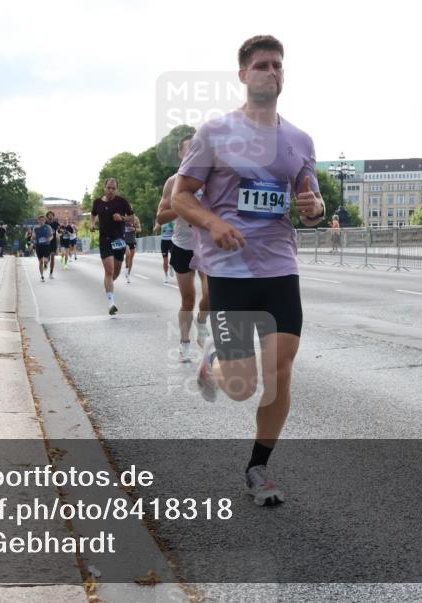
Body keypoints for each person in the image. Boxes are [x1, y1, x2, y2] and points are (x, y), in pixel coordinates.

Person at [172, 35, 325, 507]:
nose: (271, 72)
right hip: (230, 271)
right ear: (242, 74)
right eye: (261, 65)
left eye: (278, 65)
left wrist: (316, 206)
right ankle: (215, 359)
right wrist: (213, 222)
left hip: (280, 266)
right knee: (241, 388)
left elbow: (310, 205)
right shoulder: (215, 133)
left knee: (280, 370)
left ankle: (259, 467)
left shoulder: (300, 140)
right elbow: (181, 196)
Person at [157, 134, 211, 363]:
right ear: (180, 154)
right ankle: (184, 343)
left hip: (207, 246)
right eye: (188, 151)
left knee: (211, 295)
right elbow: (160, 216)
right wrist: (182, 208)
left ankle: (201, 321)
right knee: (188, 299)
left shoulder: (211, 180)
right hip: (182, 245)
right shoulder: (173, 182)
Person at [91, 178, 133, 315]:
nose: (111, 191)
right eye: (108, 188)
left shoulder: (122, 202)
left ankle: (108, 286)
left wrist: (121, 218)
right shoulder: (98, 202)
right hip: (105, 239)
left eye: (113, 189)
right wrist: (92, 224)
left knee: (116, 271)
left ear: (116, 190)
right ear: (104, 188)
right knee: (109, 271)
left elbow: (132, 217)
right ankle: (111, 303)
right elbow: (93, 214)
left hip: (118, 239)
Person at [33, 215, 54, 282]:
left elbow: (51, 235)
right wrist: (33, 237)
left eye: (43, 220)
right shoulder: (35, 228)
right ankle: (42, 276)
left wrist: (49, 239)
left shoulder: (48, 227)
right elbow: (33, 236)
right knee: (40, 261)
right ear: (38, 220)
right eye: (40, 220)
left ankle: (46, 264)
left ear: (44, 221)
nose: (41, 221)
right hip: (38, 246)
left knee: (45, 260)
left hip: (46, 245)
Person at [153, 219, 175, 283]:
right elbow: (154, 230)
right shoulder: (161, 219)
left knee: (174, 255)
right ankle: (166, 276)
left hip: (172, 240)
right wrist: (157, 227)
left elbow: (177, 230)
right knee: (165, 259)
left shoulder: (173, 219)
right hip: (164, 241)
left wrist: (174, 227)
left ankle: (171, 265)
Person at [123, 215, 139, 283]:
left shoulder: (135, 218)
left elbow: (139, 229)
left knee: (131, 258)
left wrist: (134, 229)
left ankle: (128, 274)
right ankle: (126, 267)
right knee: (128, 254)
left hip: (132, 240)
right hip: (124, 240)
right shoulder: (122, 218)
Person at [45, 211, 60, 279]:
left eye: (52, 215)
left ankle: (51, 273)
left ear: (53, 216)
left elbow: (60, 230)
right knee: (47, 259)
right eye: (49, 215)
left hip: (53, 243)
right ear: (47, 216)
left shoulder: (56, 224)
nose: (50, 216)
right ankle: (45, 263)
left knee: (52, 257)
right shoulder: (45, 224)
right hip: (47, 243)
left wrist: (61, 231)